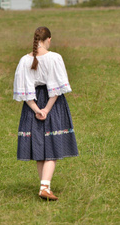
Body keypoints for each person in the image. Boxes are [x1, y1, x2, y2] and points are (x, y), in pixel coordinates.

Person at [13, 26, 78, 201]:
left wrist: (35, 109)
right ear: (48, 39)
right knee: (52, 147)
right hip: (52, 103)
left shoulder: (24, 61)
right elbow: (56, 88)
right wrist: (46, 109)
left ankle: (44, 186)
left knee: (40, 147)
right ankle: (44, 188)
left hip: (32, 104)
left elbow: (25, 91)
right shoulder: (54, 58)